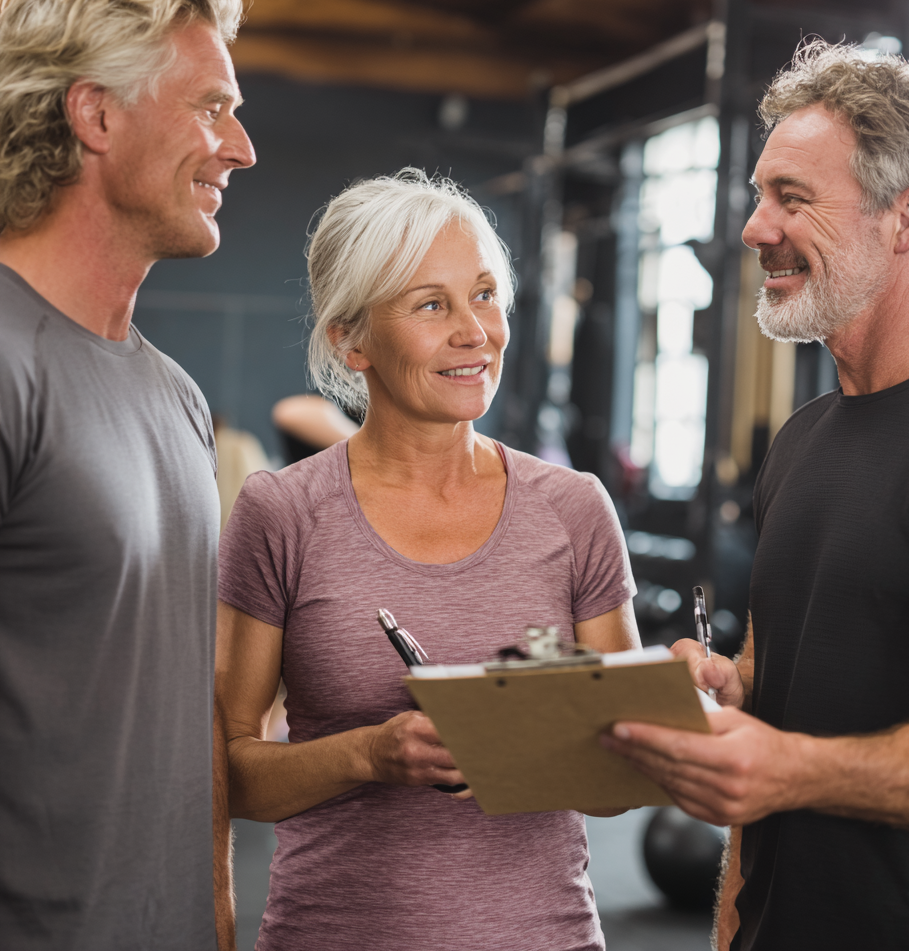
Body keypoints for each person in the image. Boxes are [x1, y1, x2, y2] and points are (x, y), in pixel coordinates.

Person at [603, 42, 909, 950]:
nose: (755, 229)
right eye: (760, 196)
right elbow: (779, 702)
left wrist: (794, 768)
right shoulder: (803, 441)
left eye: (792, 198)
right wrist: (725, 696)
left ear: (907, 216)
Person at [216, 170, 640, 951]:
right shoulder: (281, 513)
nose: (475, 331)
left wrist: (549, 732)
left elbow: (623, 777)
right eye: (431, 304)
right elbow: (230, 774)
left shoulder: (574, 509)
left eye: (484, 294)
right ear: (350, 337)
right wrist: (372, 753)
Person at [0, 0, 255, 950]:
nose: (240, 147)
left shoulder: (177, 396)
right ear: (95, 116)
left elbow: (183, 698)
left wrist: (217, 899)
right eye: (212, 108)